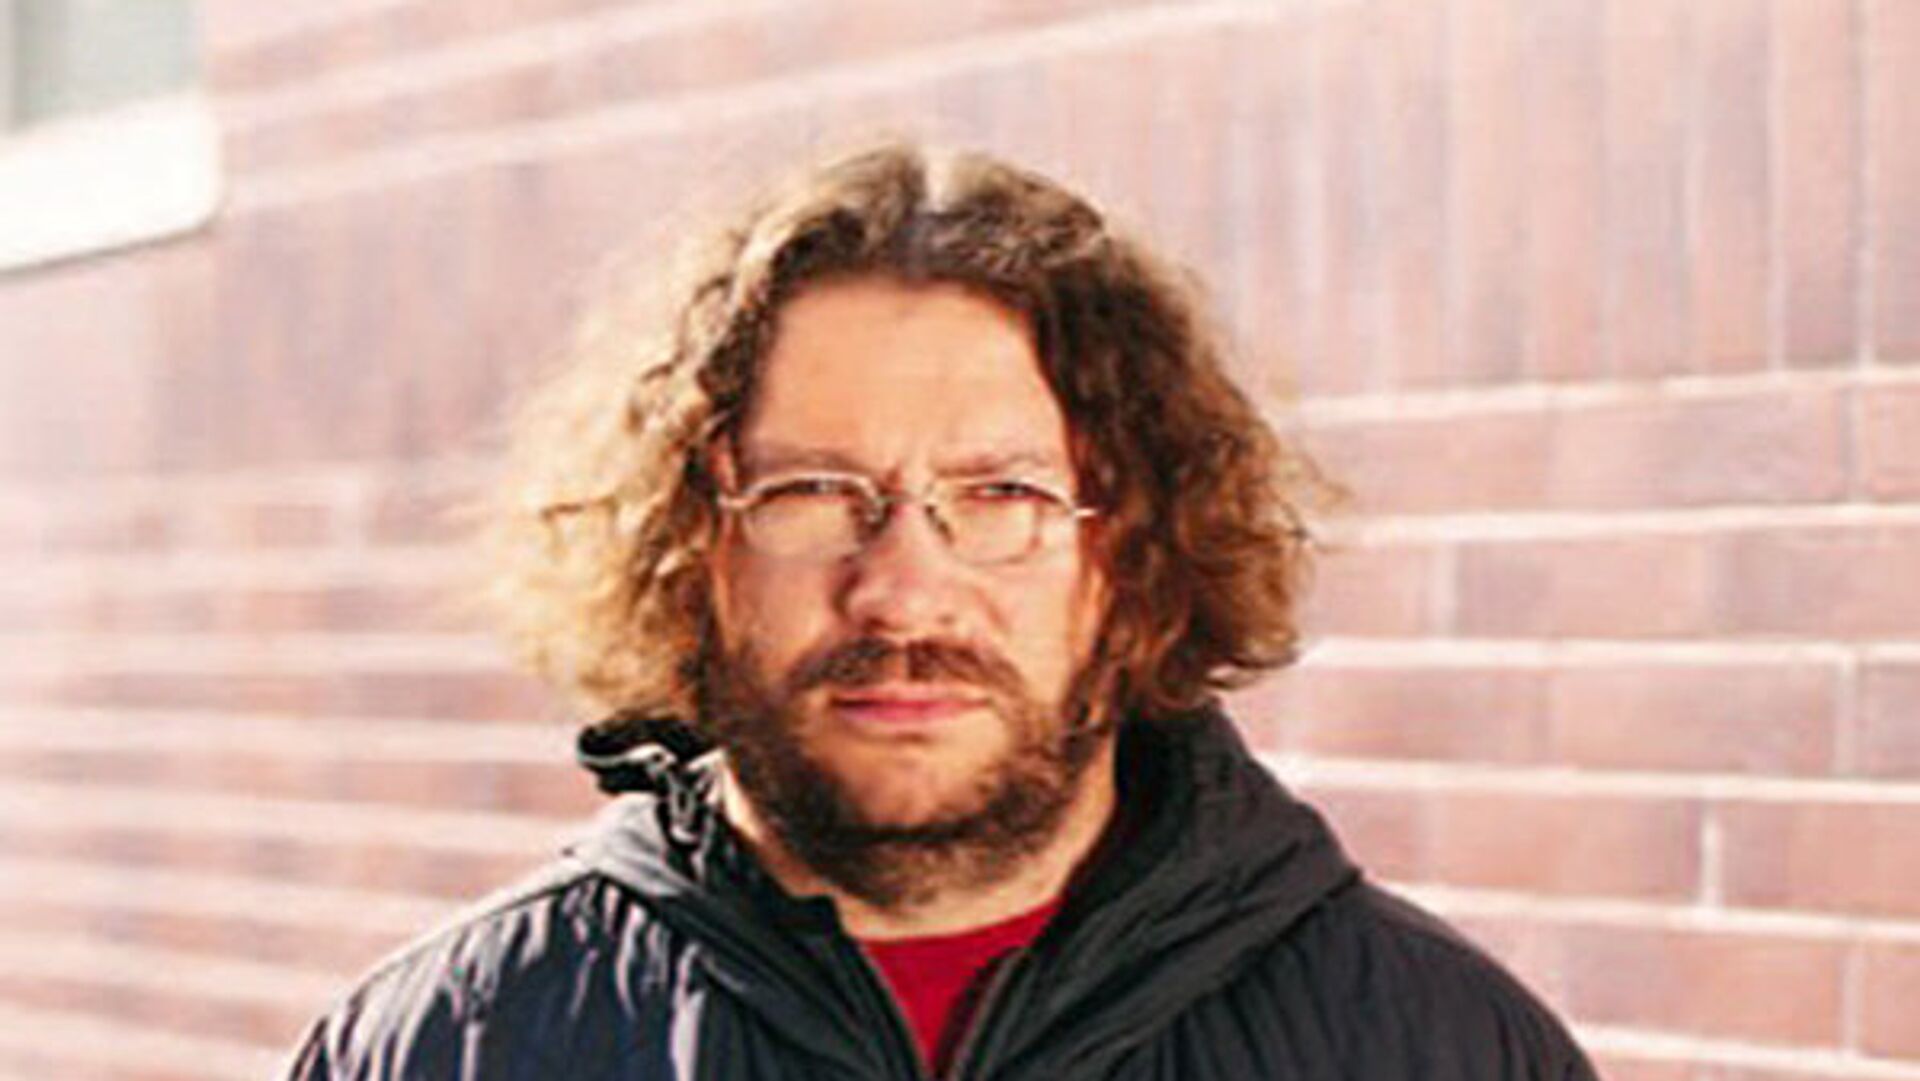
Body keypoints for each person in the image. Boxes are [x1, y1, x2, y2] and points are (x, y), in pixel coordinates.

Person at [286, 144, 1597, 1080]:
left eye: (1001, 495)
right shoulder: (446, 1047)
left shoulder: (1440, 1046)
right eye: (812, 493)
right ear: (691, 548)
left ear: (1129, 554)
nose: (904, 588)